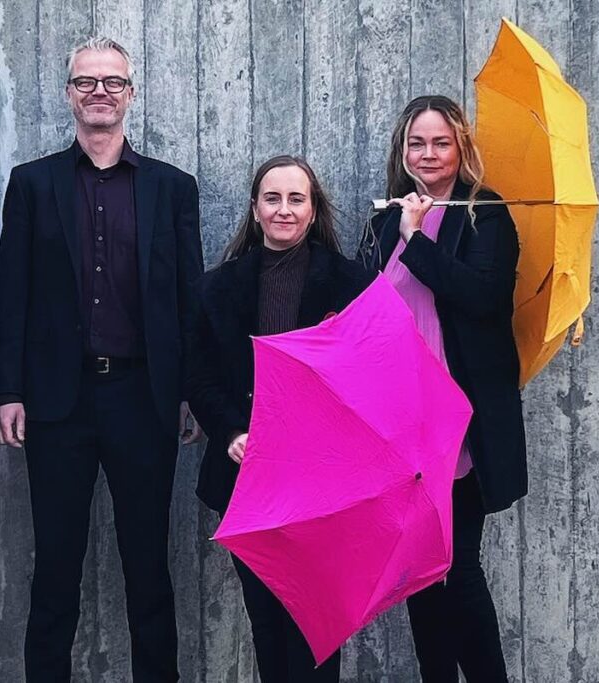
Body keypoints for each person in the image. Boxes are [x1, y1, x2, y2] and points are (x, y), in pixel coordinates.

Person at [0, 36, 203, 682]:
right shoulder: (31, 184)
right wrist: (6, 389)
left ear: (131, 93)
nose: (100, 92)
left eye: (112, 81)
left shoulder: (173, 188)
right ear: (69, 94)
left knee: (149, 572)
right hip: (59, 401)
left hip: (145, 399)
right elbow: (13, 292)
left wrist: (193, 388)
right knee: (54, 571)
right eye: (87, 82)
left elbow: (190, 296)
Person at [359, 94, 527, 682]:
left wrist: (418, 239)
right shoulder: (383, 221)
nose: (428, 154)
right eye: (417, 143)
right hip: (398, 424)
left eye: (441, 142)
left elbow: (482, 300)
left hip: (458, 423)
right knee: (419, 573)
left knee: (460, 571)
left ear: (460, 149)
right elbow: (367, 315)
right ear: (402, 151)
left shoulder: (487, 214)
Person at [186, 155, 371, 682]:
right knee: (266, 621)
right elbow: (199, 377)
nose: (284, 210)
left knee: (317, 623)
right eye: (273, 198)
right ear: (255, 208)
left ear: (313, 212)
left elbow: (367, 377)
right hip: (249, 476)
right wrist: (231, 431)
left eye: (296, 199)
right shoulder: (215, 288)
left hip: (324, 480)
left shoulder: (351, 284)